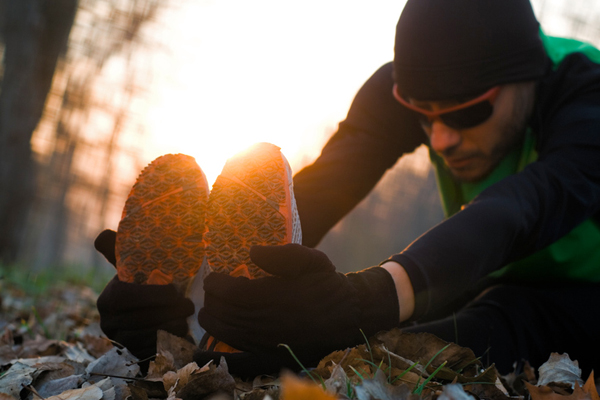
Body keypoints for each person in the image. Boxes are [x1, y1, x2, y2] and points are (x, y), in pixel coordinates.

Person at [95, 0, 600, 377]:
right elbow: (328, 184)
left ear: (527, 76)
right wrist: (226, 287)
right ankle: (199, 357)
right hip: (495, 273)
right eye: (424, 117)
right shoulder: (411, 87)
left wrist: (366, 298)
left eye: (469, 112)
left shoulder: (586, 93)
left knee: (506, 317)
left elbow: (522, 207)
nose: (442, 138)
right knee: (416, 310)